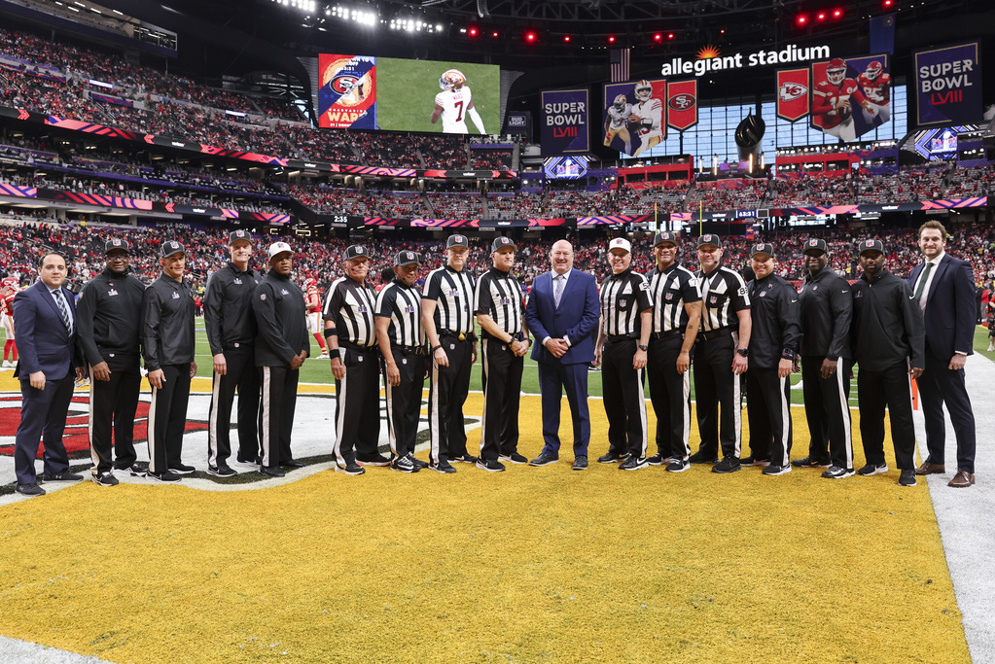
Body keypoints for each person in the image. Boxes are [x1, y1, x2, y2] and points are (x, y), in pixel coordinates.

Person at [850, 239, 925, 487]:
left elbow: (914, 324)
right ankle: (875, 460)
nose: (870, 260)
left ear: (884, 257)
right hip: (867, 364)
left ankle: (907, 466)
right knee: (869, 416)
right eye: (866, 256)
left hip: (894, 363)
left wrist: (917, 357)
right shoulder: (856, 288)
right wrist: (850, 360)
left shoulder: (898, 286)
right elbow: (851, 329)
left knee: (901, 417)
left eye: (875, 255)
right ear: (859, 259)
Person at [11, 252, 86, 496]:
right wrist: (34, 369)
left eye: (61, 267)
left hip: (64, 371)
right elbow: (24, 337)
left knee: (56, 424)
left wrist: (77, 363)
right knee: (31, 426)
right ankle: (24, 478)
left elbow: (70, 335)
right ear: (40, 270)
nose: (56, 271)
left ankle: (55, 467)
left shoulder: (67, 295)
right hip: (40, 372)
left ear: (67, 271)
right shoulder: (27, 296)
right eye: (50, 267)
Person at [910, 221, 977, 488]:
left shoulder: (958, 268)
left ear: (943, 242)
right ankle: (936, 458)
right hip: (921, 353)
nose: (929, 243)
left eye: (935, 239)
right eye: (925, 239)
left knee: (959, 410)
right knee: (931, 408)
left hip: (948, 352)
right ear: (919, 241)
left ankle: (967, 468)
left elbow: (967, 312)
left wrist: (961, 351)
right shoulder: (915, 271)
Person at [524, 239, 600, 471]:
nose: (561, 258)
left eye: (565, 253)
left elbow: (592, 316)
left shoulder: (587, 280)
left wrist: (566, 341)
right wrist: (547, 341)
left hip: (574, 353)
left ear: (573, 256)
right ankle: (550, 449)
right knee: (549, 404)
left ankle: (581, 452)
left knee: (579, 405)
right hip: (547, 354)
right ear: (550, 255)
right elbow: (531, 316)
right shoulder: (538, 281)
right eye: (557, 253)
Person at [76, 238, 146, 486]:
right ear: (105, 257)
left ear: (129, 257)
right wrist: (95, 360)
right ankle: (100, 466)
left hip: (131, 359)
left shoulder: (138, 286)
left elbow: (145, 327)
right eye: (112, 254)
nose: (118, 258)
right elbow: (83, 329)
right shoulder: (93, 286)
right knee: (103, 415)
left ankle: (126, 459)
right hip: (105, 359)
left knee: (127, 414)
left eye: (122, 254)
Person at [203, 229, 263, 476]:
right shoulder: (219, 278)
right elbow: (211, 316)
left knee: (250, 404)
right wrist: (217, 351)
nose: (241, 250)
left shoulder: (258, 277)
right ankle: (217, 458)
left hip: (254, 352)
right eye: (236, 246)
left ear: (251, 250)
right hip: (229, 351)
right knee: (222, 406)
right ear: (229, 249)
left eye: (245, 246)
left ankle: (248, 452)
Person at [794, 239, 855, 479]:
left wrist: (834, 354)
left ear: (827, 256)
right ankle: (819, 453)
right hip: (810, 355)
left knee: (836, 410)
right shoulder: (807, 283)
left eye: (818, 254)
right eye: (809, 254)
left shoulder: (835, 281)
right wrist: (799, 351)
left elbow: (843, 319)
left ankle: (845, 462)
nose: (813, 258)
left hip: (830, 356)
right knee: (814, 408)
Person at [691, 234, 751, 474]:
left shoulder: (732, 278)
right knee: (704, 399)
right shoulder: (693, 279)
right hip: (701, 344)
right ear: (697, 253)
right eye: (703, 250)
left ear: (720, 252)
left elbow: (745, 316)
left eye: (712, 250)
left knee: (729, 399)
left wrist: (742, 351)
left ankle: (731, 454)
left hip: (724, 341)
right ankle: (707, 448)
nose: (707, 253)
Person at [324, 244, 385, 476]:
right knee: (349, 406)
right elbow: (329, 321)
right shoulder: (339, 286)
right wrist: (334, 355)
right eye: (355, 261)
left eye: (364, 261)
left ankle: (367, 451)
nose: (360, 265)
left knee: (369, 406)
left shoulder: (370, 289)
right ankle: (343, 453)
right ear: (345, 265)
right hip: (349, 352)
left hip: (370, 355)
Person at [645, 231, 702, 473]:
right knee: (659, 399)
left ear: (676, 250)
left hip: (673, 342)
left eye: (669, 246)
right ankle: (665, 448)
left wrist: (685, 351)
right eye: (661, 246)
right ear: (654, 250)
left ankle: (681, 453)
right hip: (653, 344)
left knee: (678, 399)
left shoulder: (685, 277)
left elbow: (695, 315)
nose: (665, 250)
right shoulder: (647, 278)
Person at [742, 243, 801, 476]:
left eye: (765, 259)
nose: (760, 263)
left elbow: (792, 325)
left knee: (778, 411)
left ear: (774, 261)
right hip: (752, 360)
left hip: (773, 360)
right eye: (756, 259)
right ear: (751, 262)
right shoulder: (747, 287)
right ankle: (760, 453)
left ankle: (782, 458)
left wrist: (787, 355)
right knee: (756, 410)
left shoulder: (783, 288)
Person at [594, 237, 653, 470]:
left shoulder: (638, 280)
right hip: (610, 345)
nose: (618, 258)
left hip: (630, 345)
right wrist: (598, 346)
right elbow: (603, 318)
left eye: (622, 254)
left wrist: (643, 348)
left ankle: (638, 452)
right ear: (608, 256)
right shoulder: (606, 281)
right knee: (612, 400)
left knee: (633, 401)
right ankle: (617, 447)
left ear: (630, 257)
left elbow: (647, 314)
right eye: (614, 254)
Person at [142, 240, 197, 482]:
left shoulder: (184, 287)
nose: (178, 262)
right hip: (164, 363)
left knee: (177, 414)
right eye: (172, 259)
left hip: (183, 361)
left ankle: (173, 459)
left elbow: (185, 326)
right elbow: (149, 330)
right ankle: (157, 466)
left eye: (180, 258)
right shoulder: (155, 290)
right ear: (162, 261)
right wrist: (152, 365)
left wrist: (191, 357)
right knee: (160, 416)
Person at [252, 241, 309, 478]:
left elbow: (301, 322)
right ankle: (268, 460)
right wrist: (289, 355)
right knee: (271, 411)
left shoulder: (294, 288)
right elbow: (268, 328)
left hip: (293, 360)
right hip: (273, 360)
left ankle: (283, 454)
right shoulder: (265, 288)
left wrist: (304, 350)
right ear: (270, 261)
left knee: (286, 410)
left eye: (288, 257)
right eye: (280, 257)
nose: (285, 261)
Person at [422, 234, 478, 473]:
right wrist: (435, 346)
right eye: (453, 250)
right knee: (440, 401)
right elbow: (426, 314)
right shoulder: (436, 276)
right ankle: (437, 456)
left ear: (468, 253)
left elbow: (470, 314)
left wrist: (474, 342)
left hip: (464, 344)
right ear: (446, 252)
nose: (458, 254)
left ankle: (457, 449)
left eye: (462, 250)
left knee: (458, 399)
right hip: (445, 341)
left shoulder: (469, 278)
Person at [474, 236, 530, 472]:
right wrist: (510, 340)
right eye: (503, 252)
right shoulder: (484, 280)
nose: (508, 256)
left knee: (511, 399)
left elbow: (522, 314)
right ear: (493, 255)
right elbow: (483, 317)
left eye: (511, 252)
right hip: (497, 346)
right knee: (494, 398)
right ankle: (488, 453)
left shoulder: (515, 282)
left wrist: (525, 339)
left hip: (517, 345)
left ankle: (508, 446)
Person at [376, 250, 428, 474]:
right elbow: (381, 330)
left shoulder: (417, 292)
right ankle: (397, 455)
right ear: (395, 268)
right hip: (399, 354)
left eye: (414, 267)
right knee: (398, 406)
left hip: (417, 355)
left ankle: (408, 451)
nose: (412, 271)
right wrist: (390, 362)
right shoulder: (388, 292)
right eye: (407, 267)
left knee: (413, 407)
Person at [812, 58, 874, 142]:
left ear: (843, 72)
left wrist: (867, 107)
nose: (835, 76)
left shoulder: (850, 83)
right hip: (829, 126)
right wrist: (835, 106)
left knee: (850, 147)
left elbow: (860, 99)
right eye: (833, 73)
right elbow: (814, 110)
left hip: (846, 121)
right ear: (828, 74)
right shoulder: (822, 87)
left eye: (838, 73)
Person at [431, 68, 486, 134]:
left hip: (448, 133)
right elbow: (473, 113)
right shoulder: (466, 91)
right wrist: (483, 133)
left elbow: (433, 120)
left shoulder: (442, 97)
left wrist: (437, 109)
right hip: (463, 131)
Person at [630, 80, 664, 157]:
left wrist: (640, 121)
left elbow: (656, 123)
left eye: (647, 90)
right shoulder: (634, 108)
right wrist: (630, 124)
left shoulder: (655, 102)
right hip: (643, 141)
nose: (645, 92)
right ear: (637, 92)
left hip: (655, 138)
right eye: (642, 90)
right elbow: (635, 131)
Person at [856, 60, 891, 124]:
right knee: (868, 117)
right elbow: (853, 83)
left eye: (872, 71)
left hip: (885, 104)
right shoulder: (862, 77)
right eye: (869, 71)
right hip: (871, 103)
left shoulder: (886, 78)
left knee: (887, 122)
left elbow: (891, 93)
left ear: (879, 71)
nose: (870, 73)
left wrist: (882, 98)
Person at [303, 277, 329, 358]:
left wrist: (303, 306)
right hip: (311, 314)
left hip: (315, 314)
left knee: (316, 332)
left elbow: (314, 304)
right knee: (301, 330)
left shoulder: (312, 290)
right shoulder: (309, 291)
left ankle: (325, 353)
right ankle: (299, 349)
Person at [1, 276, 19, 368]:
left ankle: (5, 361)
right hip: (11, 317)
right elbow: (12, 307)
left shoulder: (5, 295)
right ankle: (15, 361)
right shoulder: (10, 295)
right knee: (15, 340)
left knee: (9, 340)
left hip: (6, 317)